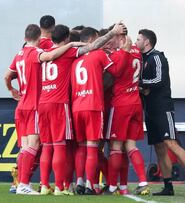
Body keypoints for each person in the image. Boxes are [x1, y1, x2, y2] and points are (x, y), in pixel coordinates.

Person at [37, 23, 126, 195]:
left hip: (66, 105)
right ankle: (85, 185)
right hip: (85, 105)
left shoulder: (44, 54)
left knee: (60, 147)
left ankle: (49, 184)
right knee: (87, 147)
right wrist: (122, 48)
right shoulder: (77, 53)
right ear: (67, 39)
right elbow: (115, 70)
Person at [4, 24, 83, 195]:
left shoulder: (19, 55)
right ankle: (25, 183)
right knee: (34, 146)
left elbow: (6, 75)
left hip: (21, 106)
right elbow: (51, 55)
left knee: (25, 148)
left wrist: (11, 89)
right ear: (39, 38)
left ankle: (19, 183)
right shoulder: (35, 53)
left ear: (25, 38)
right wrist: (70, 45)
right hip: (34, 104)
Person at [71, 24, 127, 195]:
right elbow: (116, 71)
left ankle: (79, 181)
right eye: (97, 39)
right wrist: (124, 51)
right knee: (93, 147)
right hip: (93, 106)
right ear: (91, 40)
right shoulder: (99, 54)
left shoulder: (75, 60)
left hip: (77, 107)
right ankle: (90, 184)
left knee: (81, 147)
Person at [137, 29, 185, 196]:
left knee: (171, 143)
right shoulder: (141, 59)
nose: (136, 42)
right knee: (159, 147)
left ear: (147, 42)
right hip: (150, 109)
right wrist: (142, 88)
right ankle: (168, 186)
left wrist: (140, 84)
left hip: (163, 107)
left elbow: (159, 80)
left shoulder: (157, 57)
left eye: (138, 39)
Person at [102, 29, 150, 196]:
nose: (110, 42)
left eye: (112, 38)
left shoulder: (118, 55)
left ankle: (112, 186)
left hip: (121, 104)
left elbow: (112, 72)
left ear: (120, 37)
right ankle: (143, 182)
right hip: (135, 102)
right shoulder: (137, 52)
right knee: (131, 146)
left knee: (115, 147)